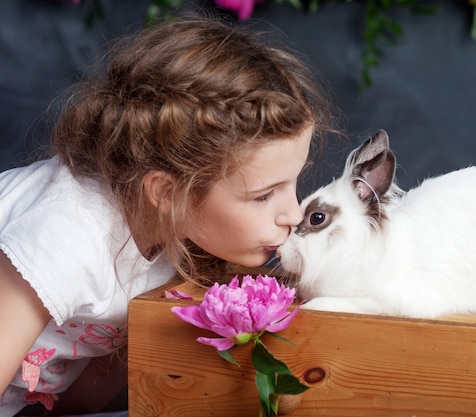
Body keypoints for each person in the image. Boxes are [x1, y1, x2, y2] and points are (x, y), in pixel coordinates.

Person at [0, 13, 337, 416]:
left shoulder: (180, 238)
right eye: (263, 196)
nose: (293, 213)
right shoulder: (69, 234)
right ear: (166, 191)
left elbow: (81, 400)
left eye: (293, 183)